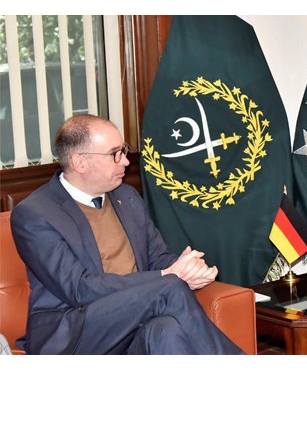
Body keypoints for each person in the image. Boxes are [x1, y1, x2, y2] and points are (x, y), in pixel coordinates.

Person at [10, 114, 243, 355]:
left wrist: (187, 269)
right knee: (169, 287)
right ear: (80, 162)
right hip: (77, 332)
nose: (125, 162)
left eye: (124, 151)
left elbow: (158, 258)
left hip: (136, 320)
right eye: (115, 154)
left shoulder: (127, 197)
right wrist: (167, 276)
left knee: (167, 330)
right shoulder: (35, 214)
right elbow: (79, 290)